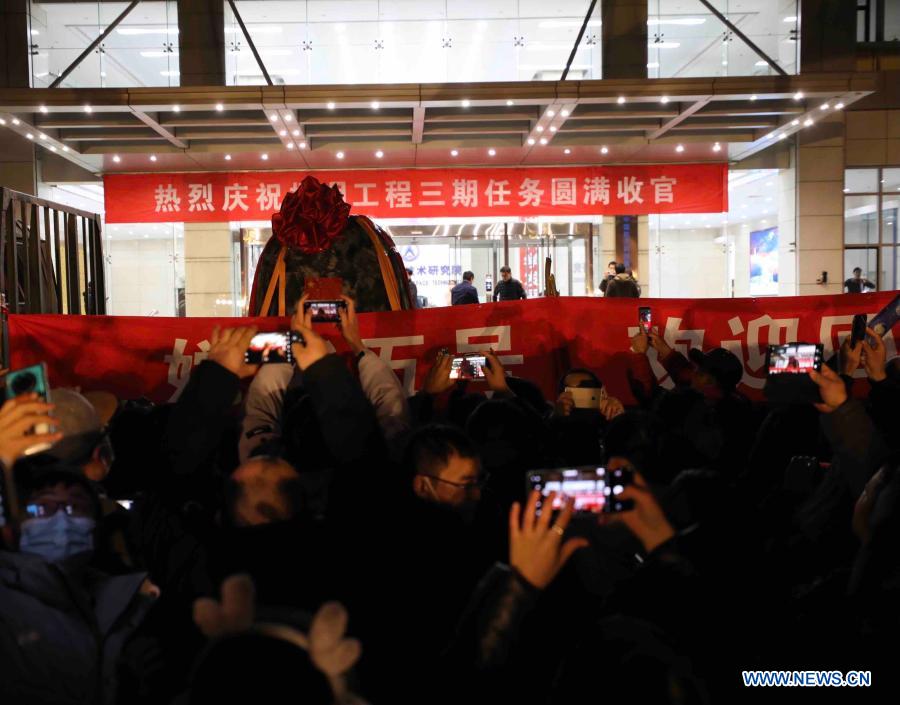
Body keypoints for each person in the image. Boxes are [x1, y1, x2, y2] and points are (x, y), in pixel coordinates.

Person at [0, 463, 158, 705]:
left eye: (76, 507)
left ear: (96, 527)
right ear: (12, 531)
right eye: (42, 508)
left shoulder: (131, 602)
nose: (61, 518)